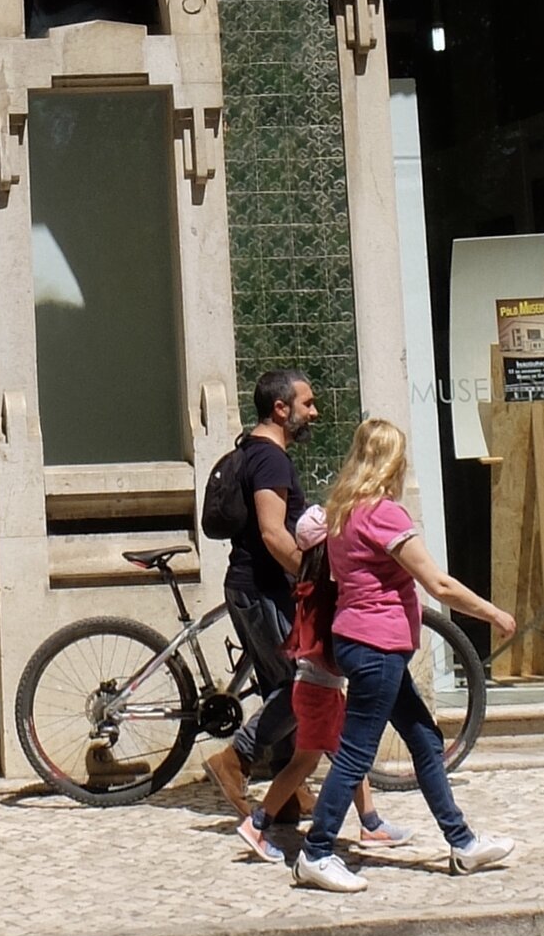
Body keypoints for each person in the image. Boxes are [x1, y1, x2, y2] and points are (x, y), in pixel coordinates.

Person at [293, 417, 518, 894]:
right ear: (393, 462)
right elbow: (436, 583)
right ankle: (316, 852)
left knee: (425, 741)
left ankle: (463, 843)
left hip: (358, 642)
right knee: (355, 754)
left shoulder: (342, 513)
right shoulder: (384, 514)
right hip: (378, 648)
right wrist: (493, 613)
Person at [226, 503, 408, 865]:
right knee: (307, 763)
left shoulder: (309, 587)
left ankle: (371, 823)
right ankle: (257, 823)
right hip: (319, 692)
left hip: (313, 690)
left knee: (344, 756)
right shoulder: (328, 592)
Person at [202, 366, 316, 811]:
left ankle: (286, 791)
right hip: (265, 588)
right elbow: (273, 533)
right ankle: (236, 759)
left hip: (252, 587)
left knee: (281, 686)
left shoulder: (251, 451)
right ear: (280, 407)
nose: (314, 412)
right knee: (301, 687)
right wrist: (312, 576)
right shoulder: (270, 458)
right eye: (307, 404)